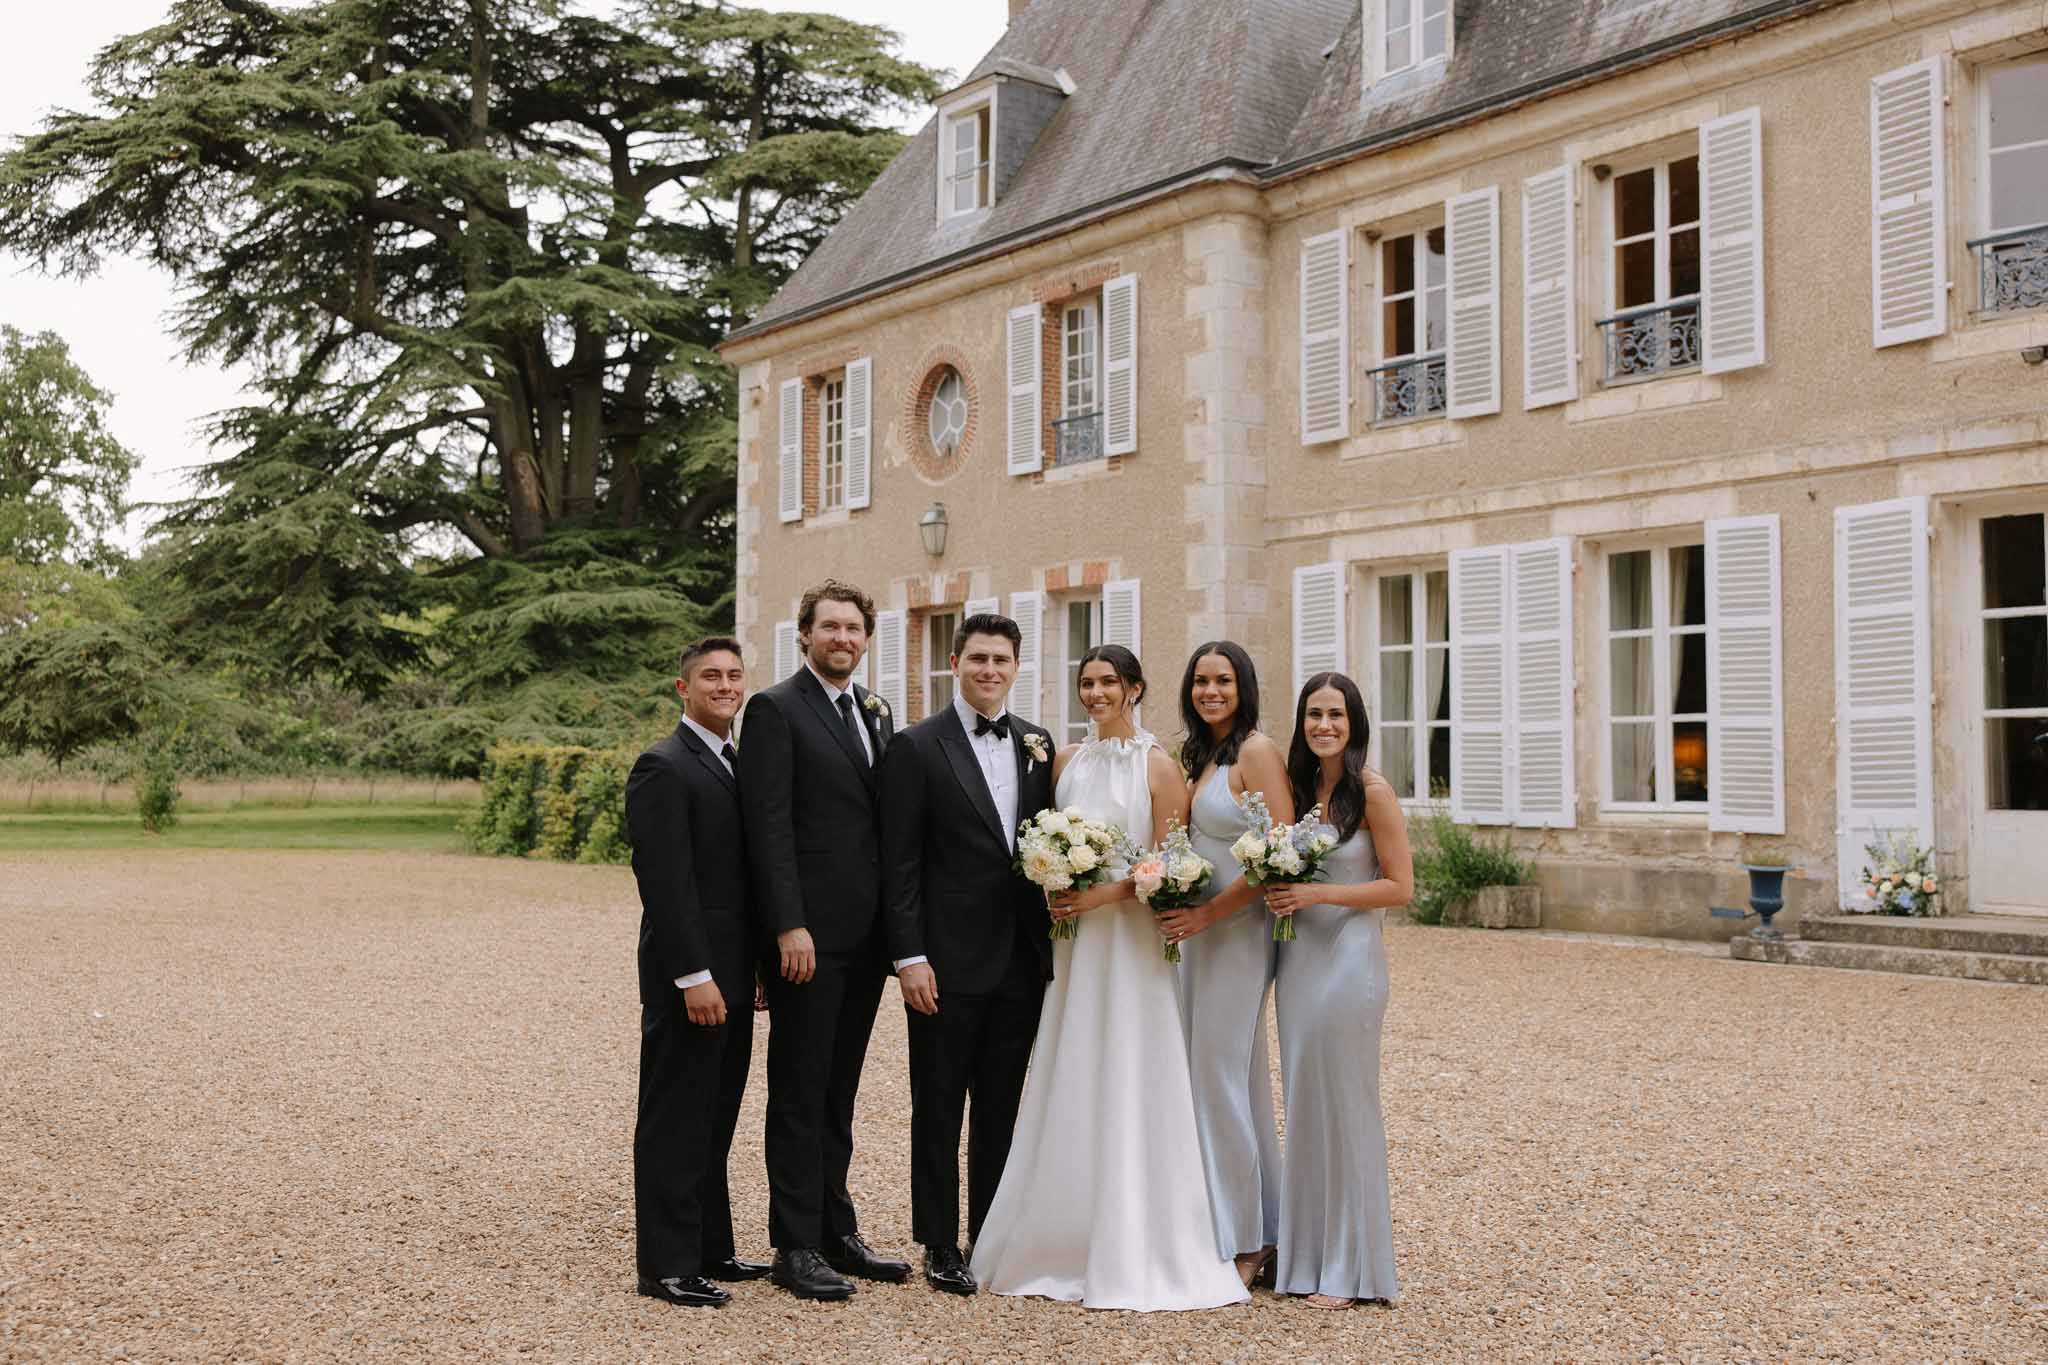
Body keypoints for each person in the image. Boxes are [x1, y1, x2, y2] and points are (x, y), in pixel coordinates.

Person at [969, 646, 1248, 1311]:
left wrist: (1103, 894)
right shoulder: (1065, 760)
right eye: (1086, 682)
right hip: (1072, 945)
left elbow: (1171, 861)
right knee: (1071, 1062)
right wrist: (1053, 874)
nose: (1095, 692)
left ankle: (1136, 1237)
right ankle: (1056, 1231)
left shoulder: (1159, 766)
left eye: (1108, 682)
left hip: (1126, 940)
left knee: (1129, 1062)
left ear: (1135, 689)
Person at [737, 580, 910, 1301]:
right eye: (829, 626)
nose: (843, 638)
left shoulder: (876, 710)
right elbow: (767, 826)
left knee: (839, 1090)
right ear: (804, 633)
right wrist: (785, 924)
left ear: (867, 638)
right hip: (807, 938)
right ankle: (795, 1244)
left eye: (854, 628)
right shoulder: (776, 709)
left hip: (865, 940)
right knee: (801, 1092)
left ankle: (836, 1225)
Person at [878, 613, 1056, 1297]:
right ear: (954, 661)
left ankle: (991, 1228)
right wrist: (909, 956)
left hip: (1020, 959)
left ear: (1016, 666)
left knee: (1002, 1105)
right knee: (939, 1102)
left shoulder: (1036, 744)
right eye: (977, 657)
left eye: (1001, 659)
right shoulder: (916, 747)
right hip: (944, 962)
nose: (989, 669)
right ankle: (938, 1240)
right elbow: (900, 863)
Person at [624, 636, 768, 1308]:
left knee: (716, 1115)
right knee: (675, 1117)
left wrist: (757, 967)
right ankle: (665, 1264)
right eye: (711, 675)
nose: (725, 684)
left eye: (734, 675)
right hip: (694, 978)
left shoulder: (738, 762)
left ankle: (711, 1246)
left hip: (738, 975)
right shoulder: (663, 765)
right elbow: (666, 882)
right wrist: (693, 975)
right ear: (683, 688)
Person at [1266, 672, 1412, 1310]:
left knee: (1347, 1105)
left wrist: (1317, 893)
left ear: (1354, 724)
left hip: (1349, 961)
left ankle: (1354, 1269)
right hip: (1297, 961)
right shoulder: (1298, 792)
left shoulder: (1371, 792)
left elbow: (1400, 887)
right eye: (1313, 715)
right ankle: (1307, 1258)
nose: (1324, 726)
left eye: (1336, 715)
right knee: (1304, 1104)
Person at [1154, 641, 1293, 1287]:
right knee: (1227, 1075)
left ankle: (1244, 1238)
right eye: (1202, 680)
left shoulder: (1256, 750)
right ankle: (1258, 1223)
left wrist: (1208, 914)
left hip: (1236, 932)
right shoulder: (1202, 754)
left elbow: (1279, 855)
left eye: (1224, 680)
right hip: (1199, 933)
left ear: (1243, 687)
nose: (1211, 690)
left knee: (1215, 1073)